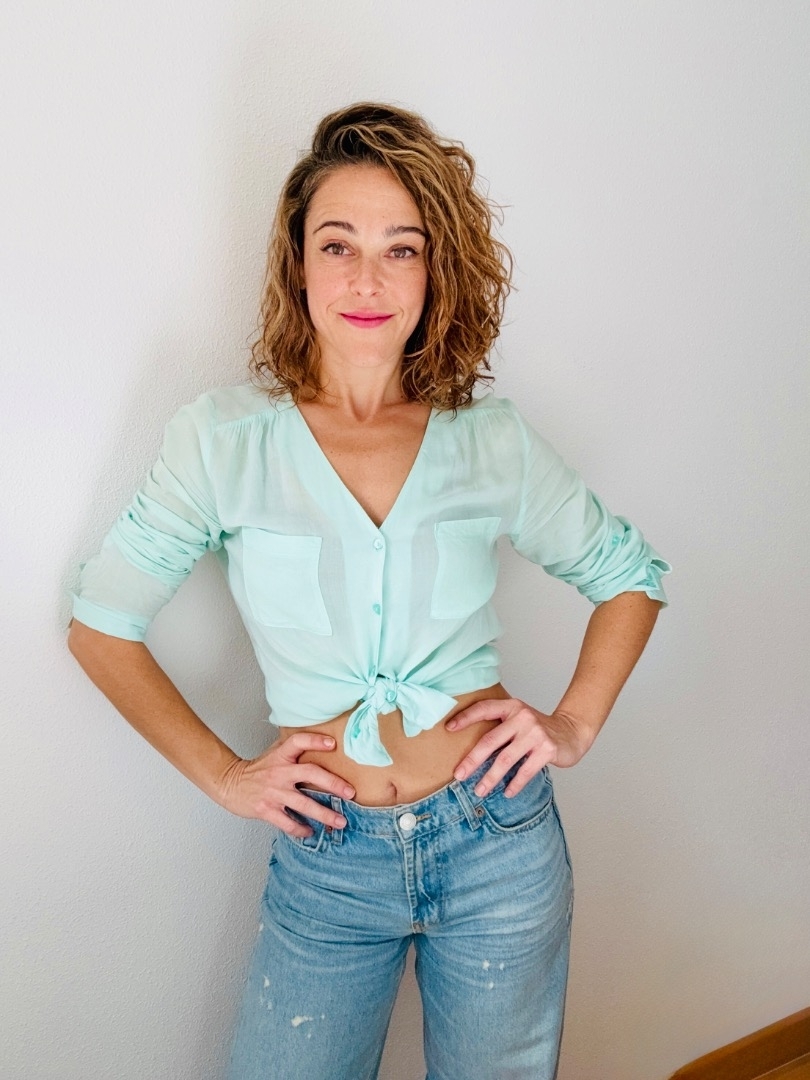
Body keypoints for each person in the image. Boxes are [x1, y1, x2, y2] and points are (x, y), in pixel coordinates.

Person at [68, 102, 671, 1080]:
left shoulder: (490, 440)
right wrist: (226, 776)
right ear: (297, 263)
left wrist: (572, 724)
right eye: (337, 244)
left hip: (498, 841)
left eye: (401, 250)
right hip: (328, 859)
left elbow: (630, 578)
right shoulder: (222, 443)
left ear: (436, 273)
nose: (365, 279)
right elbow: (102, 625)